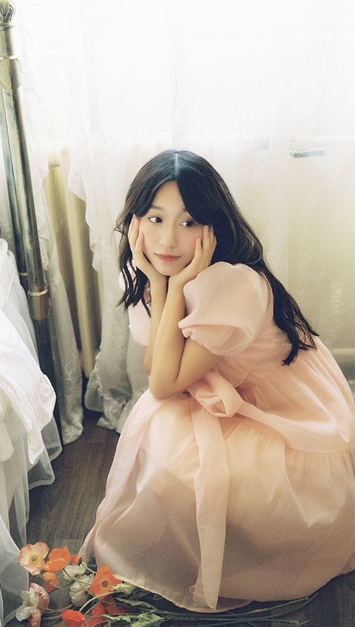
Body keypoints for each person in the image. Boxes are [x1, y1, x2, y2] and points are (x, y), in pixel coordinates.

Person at [80, 149, 355, 612]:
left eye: (188, 222)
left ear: (213, 227)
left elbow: (163, 383)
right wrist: (161, 284)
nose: (169, 239)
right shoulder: (156, 275)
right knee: (162, 422)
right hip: (229, 393)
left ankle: (246, 551)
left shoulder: (232, 284)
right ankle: (206, 543)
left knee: (167, 424)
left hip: (285, 412)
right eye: (156, 218)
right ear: (134, 222)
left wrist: (173, 284)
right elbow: (157, 367)